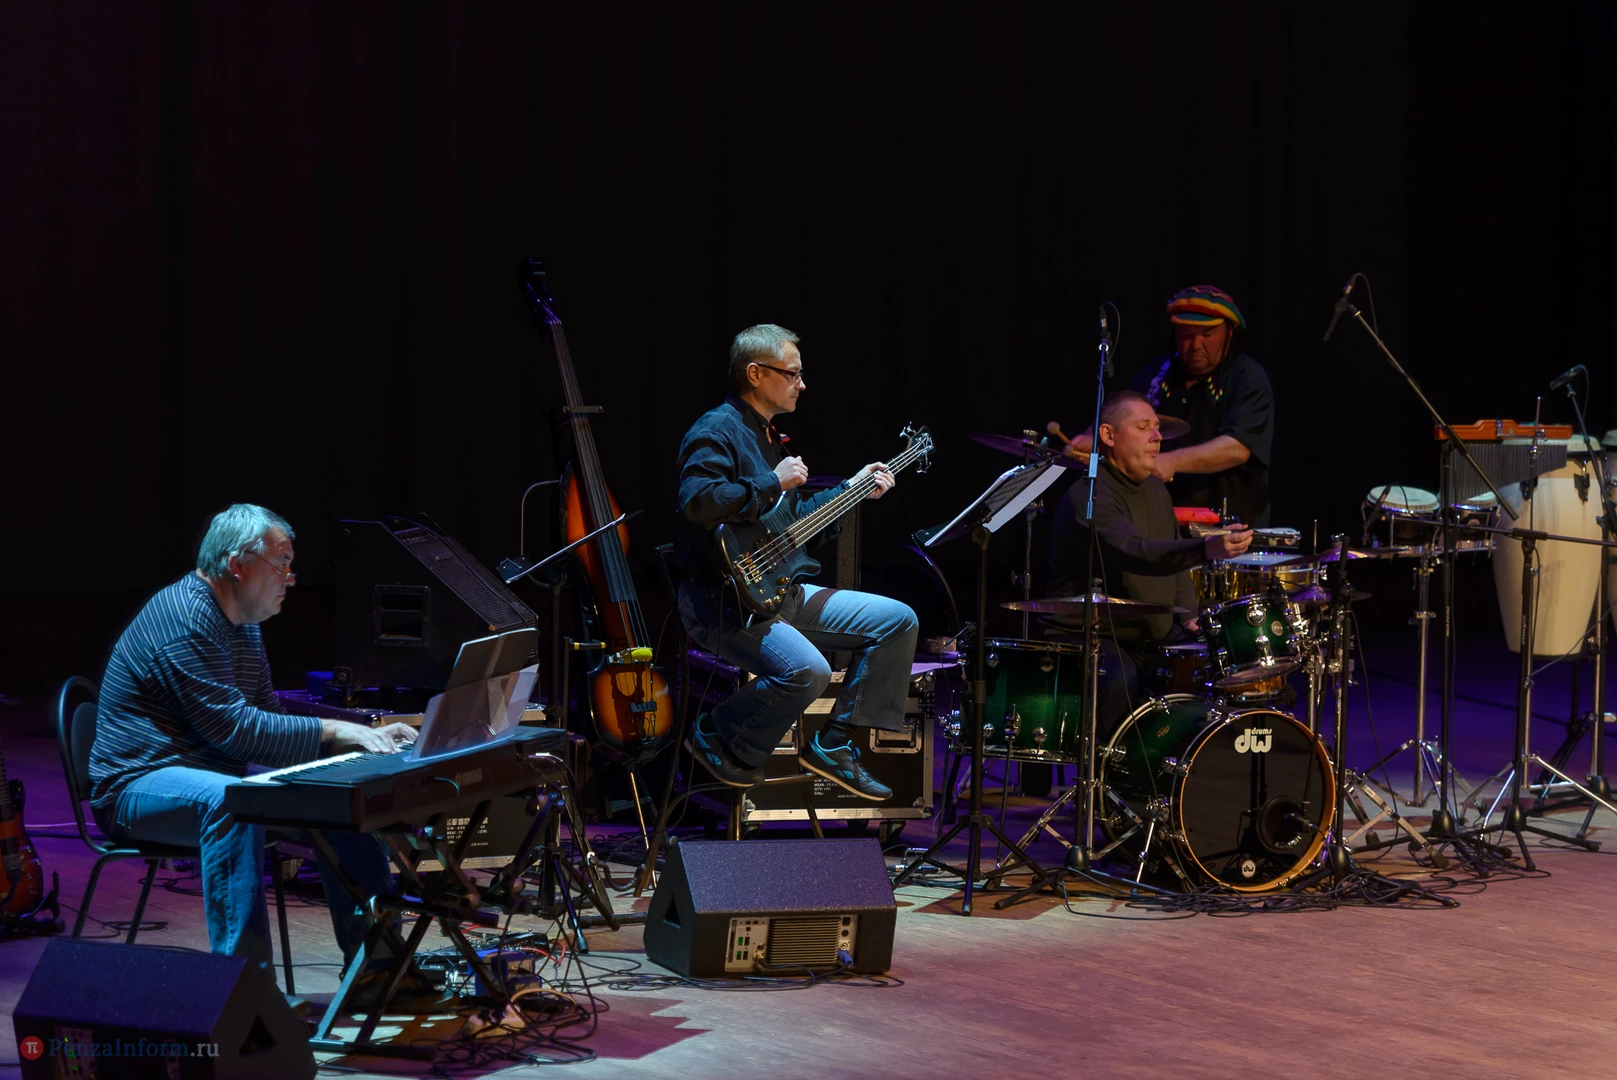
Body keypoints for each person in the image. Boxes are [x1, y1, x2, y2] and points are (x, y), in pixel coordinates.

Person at [90, 504, 440, 1008]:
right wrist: (335, 732)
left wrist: (355, 750)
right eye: (281, 564)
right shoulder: (186, 619)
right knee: (231, 803)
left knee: (339, 798)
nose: (290, 579)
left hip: (211, 771)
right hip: (136, 785)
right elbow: (236, 731)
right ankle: (247, 998)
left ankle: (377, 970)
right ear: (237, 564)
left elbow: (267, 720)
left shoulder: (244, 624)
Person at [672, 324, 919, 799]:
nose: (801, 384)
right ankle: (718, 733)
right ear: (755, 374)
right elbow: (697, 503)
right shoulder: (716, 429)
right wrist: (772, 482)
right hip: (723, 604)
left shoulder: (768, 438)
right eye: (792, 374)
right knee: (810, 670)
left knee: (898, 620)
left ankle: (835, 743)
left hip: (779, 591)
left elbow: (794, 525)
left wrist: (852, 489)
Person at [1048, 392, 1252, 730]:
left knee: (1215, 666)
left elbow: (1173, 558)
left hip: (1149, 637)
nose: (1157, 437)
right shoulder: (1088, 496)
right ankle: (1106, 763)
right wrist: (1206, 549)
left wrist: (1188, 615)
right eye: (1144, 427)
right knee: (1119, 680)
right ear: (1108, 435)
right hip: (1093, 637)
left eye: (1156, 428)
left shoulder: (1157, 491)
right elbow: (1136, 551)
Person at [1063, 284, 1275, 527]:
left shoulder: (1247, 378)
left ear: (1228, 333)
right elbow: (1119, 414)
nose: (1196, 345)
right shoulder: (1157, 373)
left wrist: (1171, 461)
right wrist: (1093, 438)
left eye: (1207, 335)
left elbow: (1238, 448)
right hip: (1161, 521)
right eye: (1186, 335)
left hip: (1229, 527)